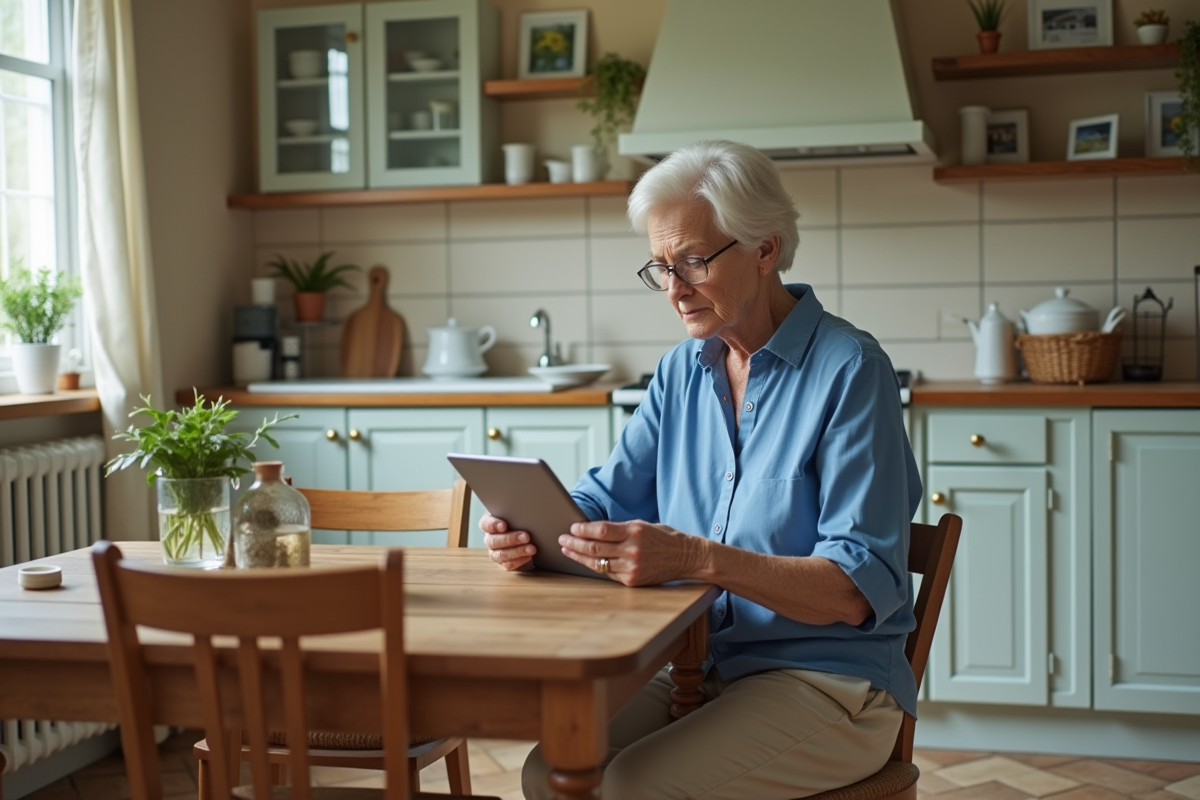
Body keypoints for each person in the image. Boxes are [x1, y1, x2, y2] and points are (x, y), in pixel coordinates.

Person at [480, 140, 922, 800]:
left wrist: (693, 556)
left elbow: (857, 587)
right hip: (696, 664)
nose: (675, 290)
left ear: (765, 250)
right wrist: (534, 529)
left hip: (831, 684)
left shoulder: (850, 371)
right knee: (551, 771)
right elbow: (601, 501)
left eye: (692, 261)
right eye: (661, 267)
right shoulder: (681, 372)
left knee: (632, 786)